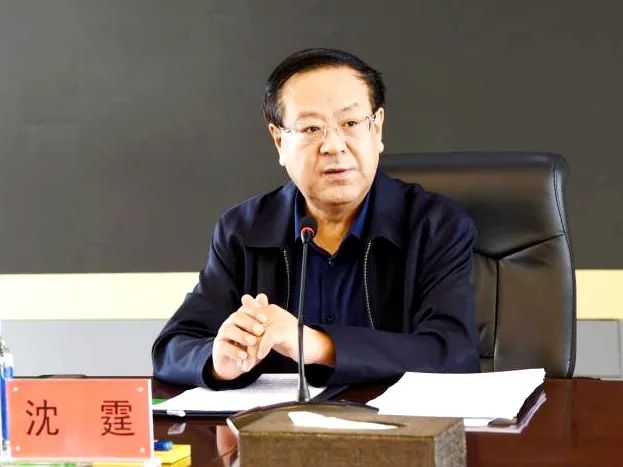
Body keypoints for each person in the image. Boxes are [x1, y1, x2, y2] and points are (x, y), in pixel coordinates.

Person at [152, 48, 480, 389]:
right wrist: (218, 361)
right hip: (276, 421)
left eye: (351, 123)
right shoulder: (243, 230)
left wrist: (317, 345)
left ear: (377, 128)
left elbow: (453, 353)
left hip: (396, 422)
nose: (333, 145)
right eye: (310, 128)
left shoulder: (434, 225)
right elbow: (173, 348)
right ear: (279, 141)